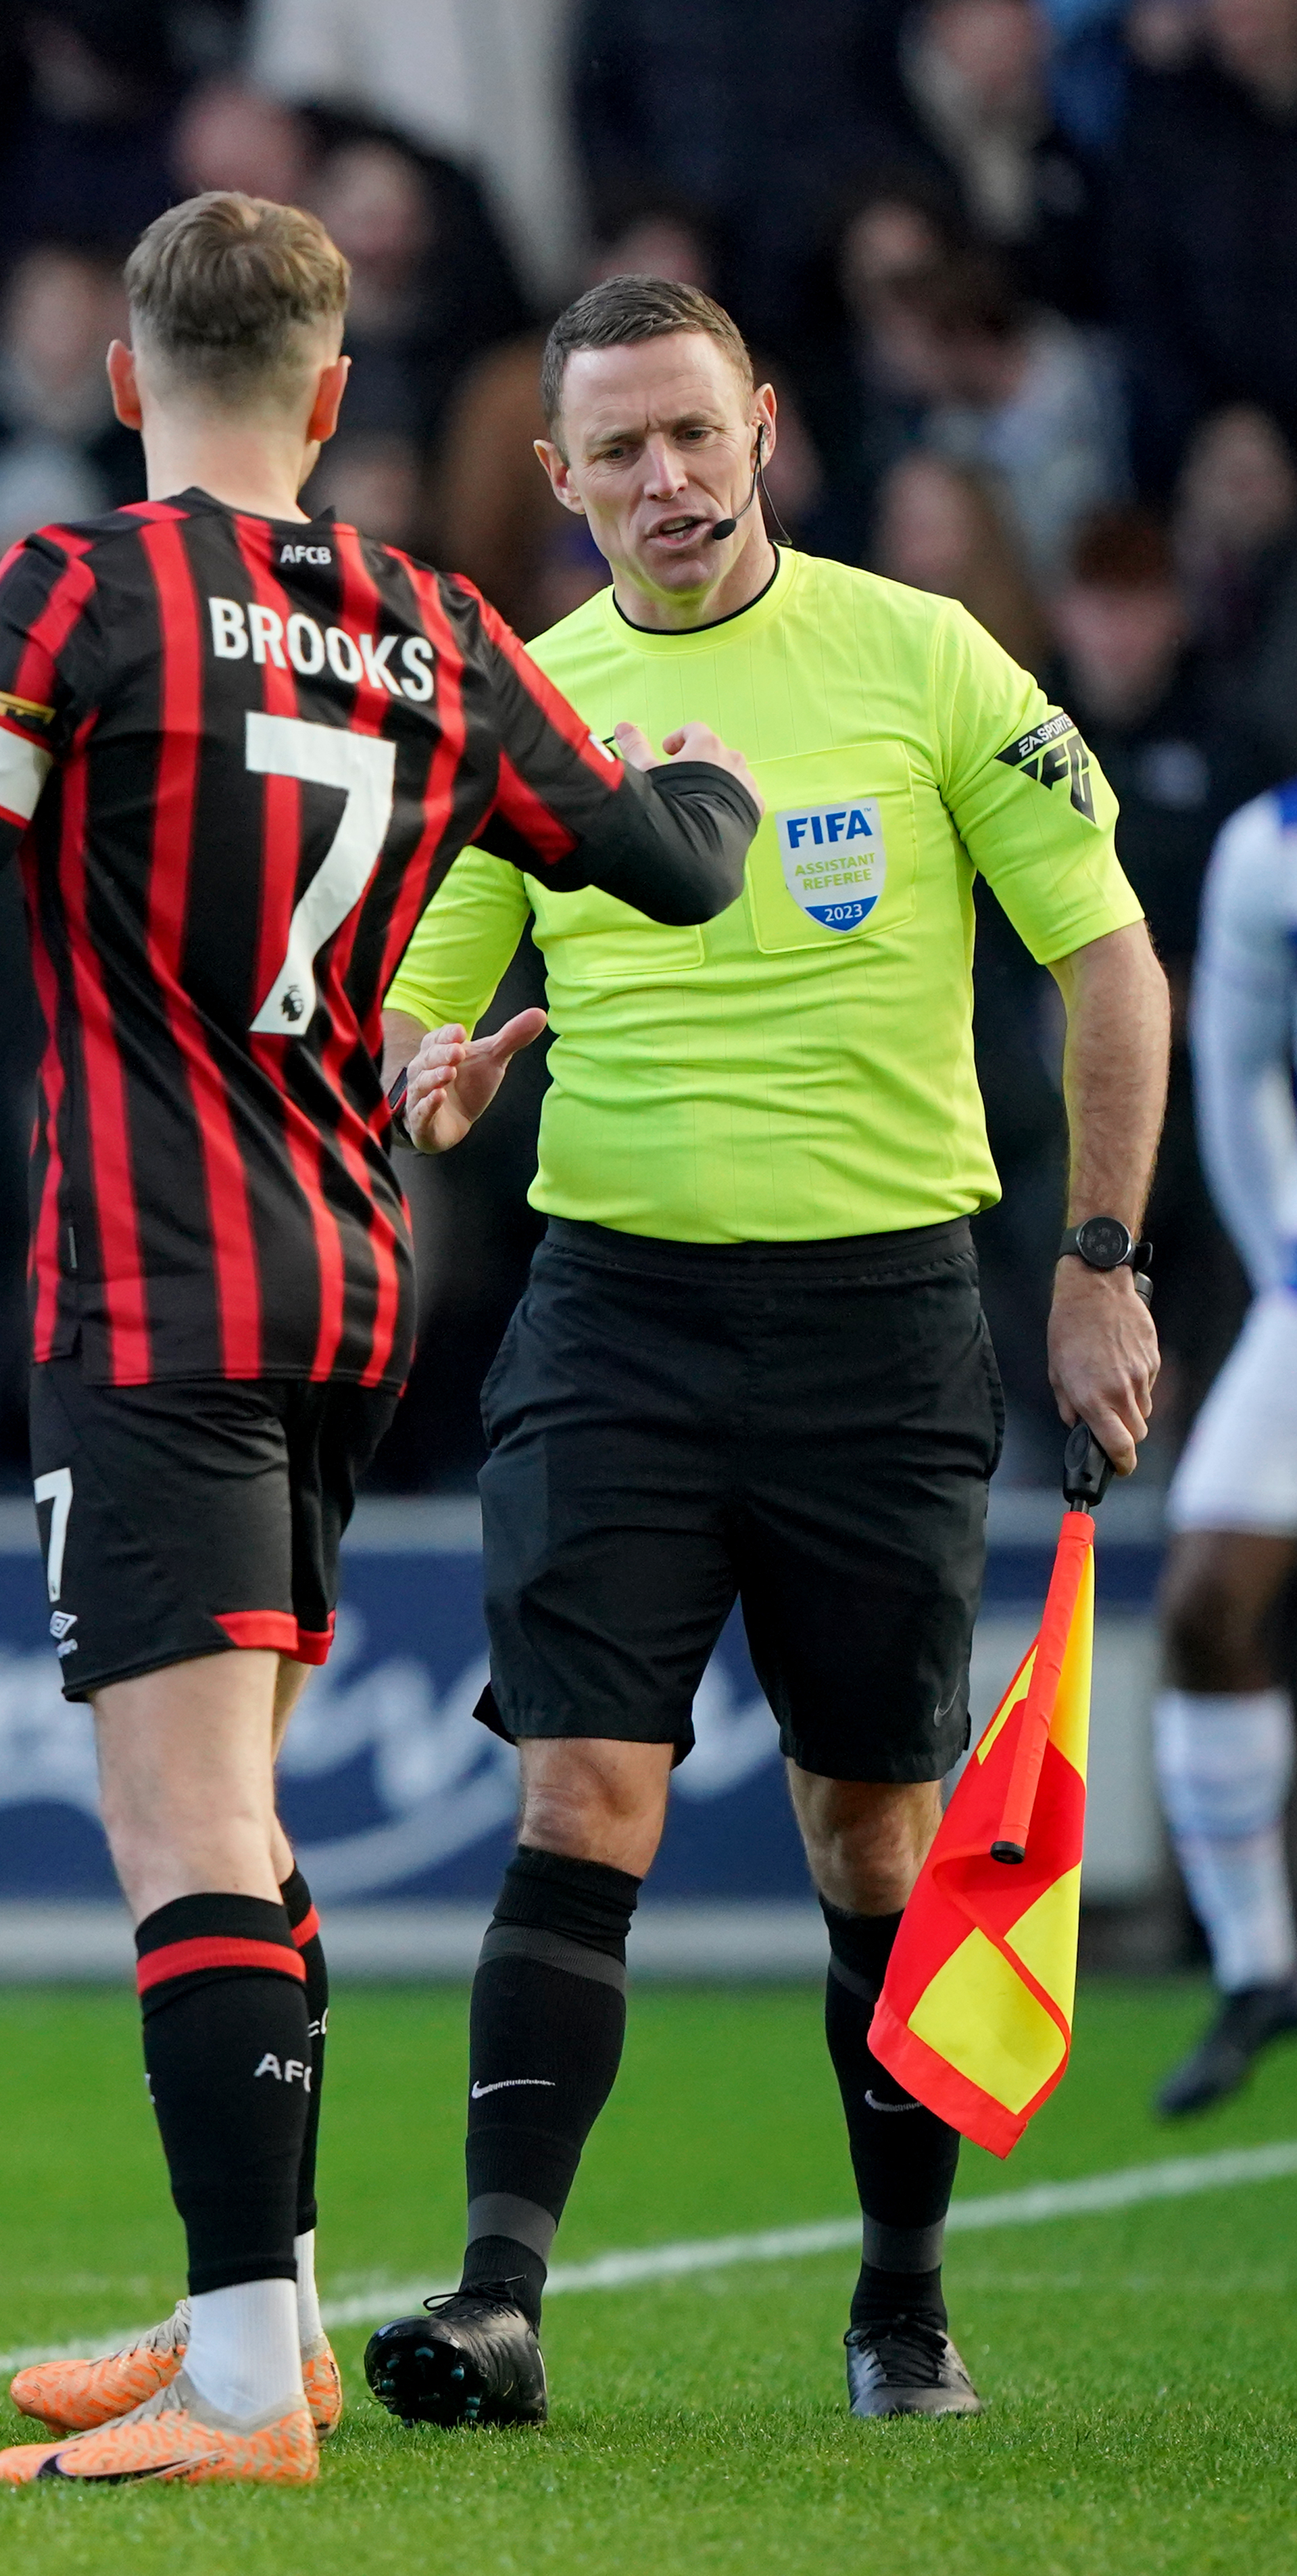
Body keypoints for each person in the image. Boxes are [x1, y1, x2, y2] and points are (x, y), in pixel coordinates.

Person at [0, 192, 758, 2490]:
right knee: (249, 1802)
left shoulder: (74, 586)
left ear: (127, 385)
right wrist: (696, 768)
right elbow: (678, 864)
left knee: (182, 1816)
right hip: (351, 1284)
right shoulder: (437, 622)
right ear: (331, 398)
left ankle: (234, 2382)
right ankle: (275, 2324)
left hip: (156, 1291)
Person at [363, 273, 1163, 2431]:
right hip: (608, 1311)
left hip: (880, 1320)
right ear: (554, 478)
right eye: (612, 449)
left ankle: (898, 2301)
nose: (661, 480)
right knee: (582, 1784)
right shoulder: (527, 704)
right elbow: (413, 1020)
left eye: (688, 435)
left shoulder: (921, 657)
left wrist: (1097, 1256)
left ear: (763, 429)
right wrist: (428, 1078)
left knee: (869, 1844)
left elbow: (1103, 954)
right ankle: (497, 2296)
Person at [1151, 782, 1297, 2117]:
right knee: (1204, 1601)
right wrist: (1285, 1263)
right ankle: (1259, 1966)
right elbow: (1236, 1071)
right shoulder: (1266, 850)